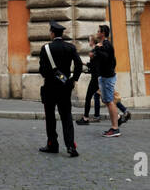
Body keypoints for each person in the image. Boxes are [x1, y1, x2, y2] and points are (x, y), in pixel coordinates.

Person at [38, 21, 83, 156]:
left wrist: (50, 76)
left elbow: (42, 70)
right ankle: (70, 146)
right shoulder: (70, 47)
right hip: (65, 87)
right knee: (66, 117)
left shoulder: (45, 48)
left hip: (50, 87)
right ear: (62, 34)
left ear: (52, 33)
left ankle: (52, 144)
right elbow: (79, 64)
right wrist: (74, 79)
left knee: (50, 117)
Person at [91, 24, 125, 137]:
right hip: (104, 76)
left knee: (110, 102)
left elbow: (106, 58)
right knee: (106, 101)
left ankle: (115, 128)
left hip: (107, 77)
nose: (97, 32)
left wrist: (97, 48)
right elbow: (107, 60)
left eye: (98, 31)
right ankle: (117, 118)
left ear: (103, 33)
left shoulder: (107, 44)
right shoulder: (103, 44)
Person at [77, 34, 102, 125]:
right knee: (108, 99)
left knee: (88, 98)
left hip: (96, 79)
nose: (89, 42)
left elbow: (95, 65)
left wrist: (86, 64)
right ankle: (118, 117)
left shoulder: (95, 51)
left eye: (89, 40)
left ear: (93, 41)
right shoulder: (96, 50)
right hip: (98, 78)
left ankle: (86, 118)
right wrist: (85, 64)